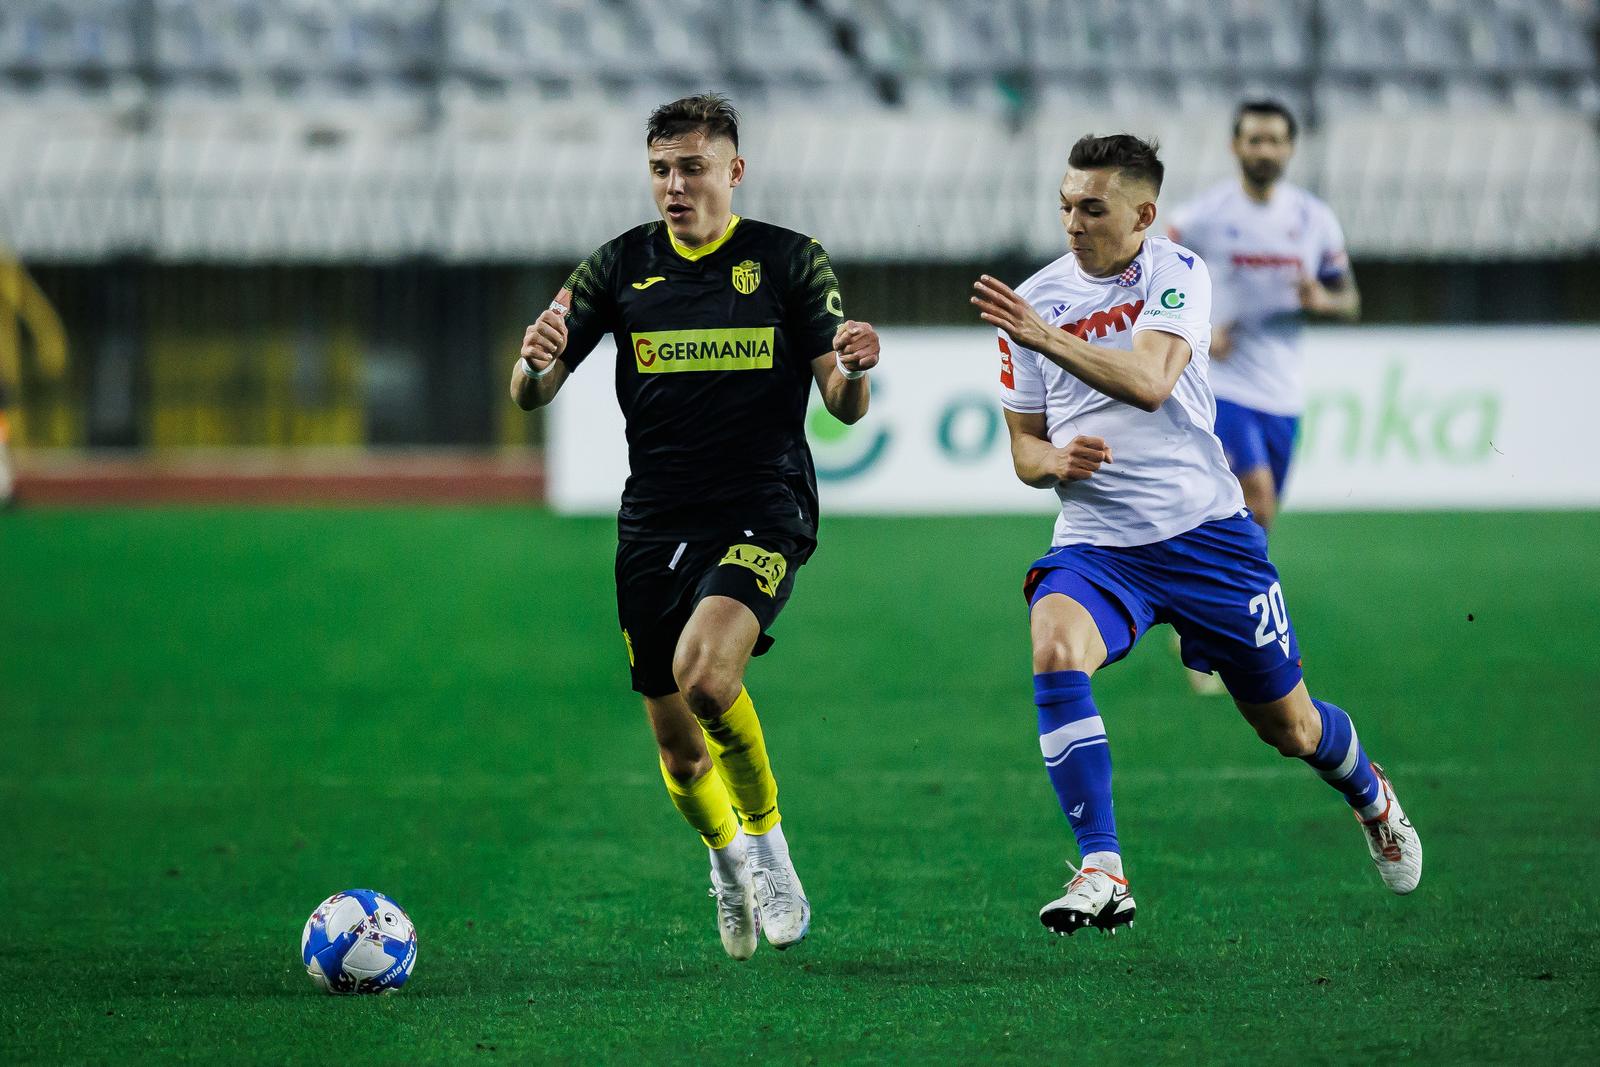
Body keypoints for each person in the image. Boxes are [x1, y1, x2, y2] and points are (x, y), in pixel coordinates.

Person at [970, 133, 1419, 937]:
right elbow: (1023, 452)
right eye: (1065, 205)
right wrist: (1054, 460)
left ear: (1143, 214)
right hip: (1099, 544)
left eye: (1092, 207)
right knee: (1052, 643)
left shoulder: (1177, 274)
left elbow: (1150, 381)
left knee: (1293, 728)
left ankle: (1371, 796)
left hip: (1208, 539)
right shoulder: (1034, 300)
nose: (1073, 221)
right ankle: (1102, 867)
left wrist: (1046, 336)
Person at [511, 93, 880, 960]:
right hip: (655, 517)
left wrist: (858, 372)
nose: (673, 187)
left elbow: (842, 402)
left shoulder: (790, 261)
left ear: (733, 170)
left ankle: (770, 847)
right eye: (660, 170)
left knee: (708, 679)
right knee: (679, 752)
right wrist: (530, 365)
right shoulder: (614, 267)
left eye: (691, 168)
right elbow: (536, 387)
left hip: (763, 501)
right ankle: (725, 864)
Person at [1165, 99, 1360, 534]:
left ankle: (1225, 591)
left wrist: (1323, 301)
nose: (1265, 151)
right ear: (1235, 146)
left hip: (1283, 392)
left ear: (1291, 148)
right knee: (1258, 501)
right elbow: (1150, 276)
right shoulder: (1203, 216)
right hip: (1223, 385)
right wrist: (1197, 330)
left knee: (1255, 520)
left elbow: (1350, 299)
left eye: (1275, 141)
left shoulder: (1315, 220)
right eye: (1255, 140)